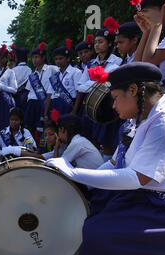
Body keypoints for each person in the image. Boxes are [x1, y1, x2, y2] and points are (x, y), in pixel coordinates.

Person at [45, 62, 165, 255]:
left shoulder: (164, 121)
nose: (113, 106)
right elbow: (114, 164)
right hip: (144, 194)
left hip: (162, 202)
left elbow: (138, 177)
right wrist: (81, 184)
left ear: (133, 90)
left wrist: (74, 173)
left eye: (115, 98)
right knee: (92, 211)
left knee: (99, 233)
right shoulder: (139, 116)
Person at [74, 19, 123, 158]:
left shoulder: (118, 62)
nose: (97, 45)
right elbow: (79, 86)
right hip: (91, 105)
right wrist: (97, 83)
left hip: (108, 106)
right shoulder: (90, 63)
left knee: (107, 143)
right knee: (92, 139)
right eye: (95, 42)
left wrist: (91, 84)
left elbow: (108, 82)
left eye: (100, 41)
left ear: (109, 43)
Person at [134, 0, 165, 95]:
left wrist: (157, 25)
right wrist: (146, 32)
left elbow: (147, 65)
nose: (141, 16)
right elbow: (136, 68)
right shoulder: (159, 34)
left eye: (145, 11)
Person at [24, 43, 59, 139]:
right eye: (33, 57)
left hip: (44, 103)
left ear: (43, 57)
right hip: (32, 103)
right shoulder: (32, 74)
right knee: (30, 127)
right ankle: (32, 147)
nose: (34, 60)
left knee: (44, 127)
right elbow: (29, 90)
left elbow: (62, 75)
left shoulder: (51, 69)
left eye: (37, 57)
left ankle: (43, 148)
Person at [44, 40, 82, 120]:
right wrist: (45, 113)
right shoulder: (55, 76)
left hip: (68, 106)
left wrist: (74, 110)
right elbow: (49, 94)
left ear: (68, 59)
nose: (58, 61)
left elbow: (79, 92)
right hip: (54, 106)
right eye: (56, 59)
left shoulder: (76, 72)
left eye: (61, 58)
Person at [12, 46, 32, 113]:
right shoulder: (29, 70)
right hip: (26, 98)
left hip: (15, 97)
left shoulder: (13, 70)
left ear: (16, 58)